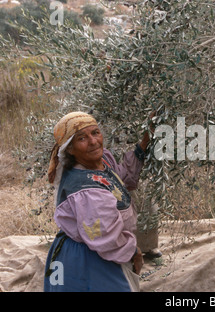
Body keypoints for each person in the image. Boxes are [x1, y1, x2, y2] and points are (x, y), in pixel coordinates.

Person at [44, 111, 153, 292]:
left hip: (104, 250)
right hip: (90, 258)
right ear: (69, 149)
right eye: (82, 138)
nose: (93, 141)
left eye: (95, 132)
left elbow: (124, 177)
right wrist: (133, 251)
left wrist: (144, 142)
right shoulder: (85, 189)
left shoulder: (102, 161)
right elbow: (105, 236)